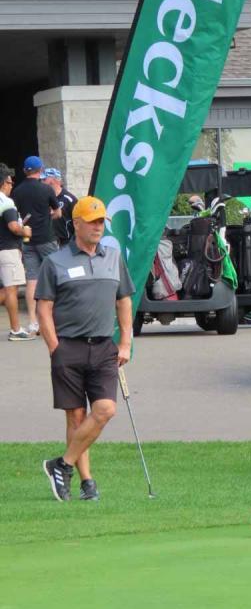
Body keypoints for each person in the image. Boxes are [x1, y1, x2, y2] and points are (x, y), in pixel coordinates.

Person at [36, 196, 135, 502]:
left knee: (105, 409)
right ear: (76, 224)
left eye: (101, 221)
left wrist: (125, 343)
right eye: (92, 221)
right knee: (76, 417)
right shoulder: (55, 261)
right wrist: (55, 347)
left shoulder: (113, 257)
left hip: (104, 347)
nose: (98, 227)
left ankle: (62, 464)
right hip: (68, 347)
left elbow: (124, 301)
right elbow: (43, 309)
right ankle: (86, 482)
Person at [12, 155, 61, 335]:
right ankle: (55, 319)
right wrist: (48, 216)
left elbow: (16, 214)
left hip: (28, 240)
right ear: (40, 170)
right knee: (56, 276)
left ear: (25, 171)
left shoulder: (17, 191)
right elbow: (58, 212)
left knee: (32, 279)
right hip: (47, 238)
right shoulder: (46, 189)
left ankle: (33, 322)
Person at [0, 164, 33, 340]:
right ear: (3, 183)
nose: (11, 186)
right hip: (8, 250)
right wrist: (24, 230)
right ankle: (15, 329)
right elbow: (13, 227)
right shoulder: (6, 203)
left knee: (6, 289)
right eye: (10, 182)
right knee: (11, 290)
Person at [42, 168, 77, 246]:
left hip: (66, 243)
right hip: (48, 243)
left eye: (44, 179)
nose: (41, 182)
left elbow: (79, 220)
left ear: (53, 180)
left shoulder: (69, 199)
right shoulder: (43, 198)